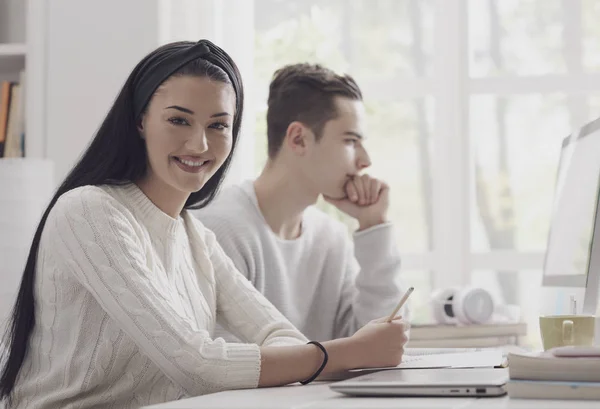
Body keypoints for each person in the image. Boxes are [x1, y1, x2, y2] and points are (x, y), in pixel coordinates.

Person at [0, 40, 407, 409]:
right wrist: (348, 352)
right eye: (179, 121)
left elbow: (279, 334)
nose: (199, 145)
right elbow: (198, 364)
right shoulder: (90, 211)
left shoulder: (195, 236)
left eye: (218, 125)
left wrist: (321, 355)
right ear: (140, 120)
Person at [196, 63, 410, 342]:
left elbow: (378, 346)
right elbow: (228, 370)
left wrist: (374, 225)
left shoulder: (330, 238)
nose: (365, 160)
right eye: (350, 141)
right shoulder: (220, 230)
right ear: (298, 139)